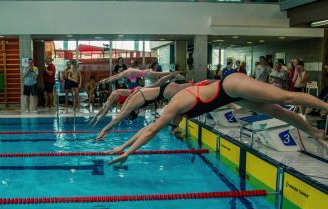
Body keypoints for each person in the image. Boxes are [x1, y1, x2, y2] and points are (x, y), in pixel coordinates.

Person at [105, 73, 328, 166]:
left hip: (231, 86)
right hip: (232, 96)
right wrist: (122, 147)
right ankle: (315, 132)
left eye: (173, 125)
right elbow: (149, 129)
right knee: (277, 112)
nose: (175, 127)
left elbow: (152, 131)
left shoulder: (175, 106)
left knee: (283, 97)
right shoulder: (176, 108)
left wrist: (127, 153)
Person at [95, 71, 199, 141]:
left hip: (167, 92)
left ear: (133, 110)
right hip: (166, 89)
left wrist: (105, 130)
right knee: (197, 86)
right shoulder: (133, 95)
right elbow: (157, 84)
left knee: (198, 88)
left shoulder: (132, 103)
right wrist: (171, 75)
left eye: (137, 112)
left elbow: (118, 119)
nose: (140, 111)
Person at [100, 68, 184, 85]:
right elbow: (113, 76)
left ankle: (175, 73)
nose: (126, 81)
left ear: (123, 79)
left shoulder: (125, 74)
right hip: (145, 75)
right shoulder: (123, 73)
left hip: (146, 73)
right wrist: (104, 80)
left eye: (124, 81)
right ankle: (173, 79)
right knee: (159, 82)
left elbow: (114, 78)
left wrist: (105, 81)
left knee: (160, 74)